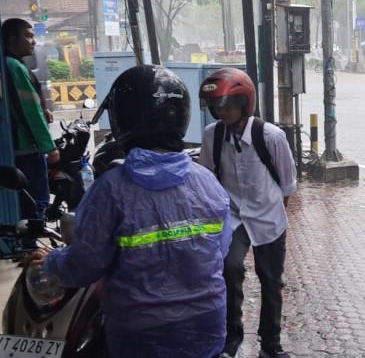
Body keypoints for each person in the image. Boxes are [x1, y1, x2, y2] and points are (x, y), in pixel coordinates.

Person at [24, 65, 232, 358]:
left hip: (141, 334)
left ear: (122, 117)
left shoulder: (111, 189)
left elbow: (84, 265)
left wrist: (51, 263)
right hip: (206, 328)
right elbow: (220, 250)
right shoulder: (208, 182)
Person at [198, 68, 297, 358]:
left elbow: (287, 183)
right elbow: (206, 176)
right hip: (233, 216)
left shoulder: (271, 136)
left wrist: (275, 214)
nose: (223, 111)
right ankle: (231, 337)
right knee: (229, 269)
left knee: (271, 280)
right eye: (217, 106)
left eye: (229, 105)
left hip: (268, 217)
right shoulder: (212, 135)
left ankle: (270, 344)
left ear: (245, 103)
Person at [1, 18, 59, 221]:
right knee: (36, 204)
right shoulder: (15, 66)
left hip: (20, 148)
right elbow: (30, 112)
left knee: (28, 204)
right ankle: (34, 238)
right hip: (27, 149)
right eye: (28, 36)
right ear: (12, 40)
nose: (33, 41)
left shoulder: (11, 64)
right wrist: (49, 147)